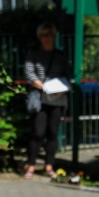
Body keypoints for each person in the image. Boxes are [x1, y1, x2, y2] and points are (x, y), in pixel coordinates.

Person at [24, 23, 71, 179]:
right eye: (44, 35)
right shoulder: (33, 55)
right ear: (40, 37)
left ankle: (49, 165)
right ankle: (31, 165)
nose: (48, 38)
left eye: (50, 35)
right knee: (38, 133)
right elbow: (30, 75)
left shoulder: (61, 55)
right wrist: (44, 87)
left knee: (53, 133)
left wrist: (59, 88)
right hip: (40, 99)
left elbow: (67, 74)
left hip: (57, 99)